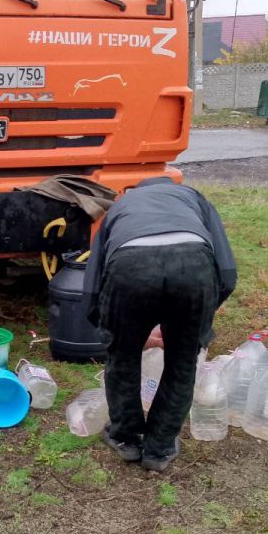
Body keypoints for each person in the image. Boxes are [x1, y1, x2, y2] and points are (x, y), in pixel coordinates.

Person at [82, 177, 236, 471]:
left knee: (123, 357)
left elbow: (94, 278)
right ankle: (160, 448)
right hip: (194, 265)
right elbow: (227, 272)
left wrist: (109, 330)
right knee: (182, 361)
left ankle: (126, 438)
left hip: (129, 265)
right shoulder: (194, 197)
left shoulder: (121, 205)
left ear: (137, 190)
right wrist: (200, 316)